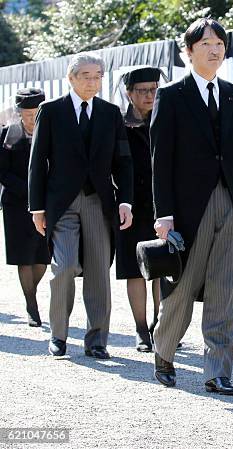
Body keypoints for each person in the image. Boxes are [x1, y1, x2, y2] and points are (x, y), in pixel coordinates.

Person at [151, 18, 233, 395]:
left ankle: (218, 371)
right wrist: (163, 214)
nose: (215, 50)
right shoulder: (172, 95)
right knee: (183, 285)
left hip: (231, 202)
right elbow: (160, 159)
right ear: (189, 51)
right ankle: (164, 351)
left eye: (219, 43)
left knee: (225, 288)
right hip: (187, 207)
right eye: (206, 43)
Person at [29, 52, 134, 359]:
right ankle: (58, 335)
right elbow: (37, 162)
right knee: (62, 267)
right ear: (71, 78)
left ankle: (97, 339)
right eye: (86, 76)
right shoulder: (50, 111)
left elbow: (123, 161)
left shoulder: (111, 112)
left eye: (98, 76)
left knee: (100, 270)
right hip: (61, 203)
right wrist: (37, 208)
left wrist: (124, 200)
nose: (93, 81)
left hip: (99, 202)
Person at [114, 67, 164, 352]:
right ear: (129, 93)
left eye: (154, 89)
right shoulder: (119, 123)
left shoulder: (165, 119)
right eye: (143, 90)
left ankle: (161, 324)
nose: (149, 95)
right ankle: (140, 328)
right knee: (134, 270)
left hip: (162, 205)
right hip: (129, 206)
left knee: (161, 266)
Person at [0, 88, 50, 326]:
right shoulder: (7, 135)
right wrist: (25, 190)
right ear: (19, 113)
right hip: (16, 203)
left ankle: (31, 291)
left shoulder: (52, 133)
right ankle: (31, 303)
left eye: (36, 113)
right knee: (23, 255)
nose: (31, 118)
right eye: (26, 113)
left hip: (46, 203)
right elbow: (2, 172)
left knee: (42, 256)